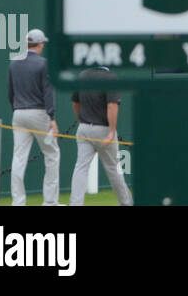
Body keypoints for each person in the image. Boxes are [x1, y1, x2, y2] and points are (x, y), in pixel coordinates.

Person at [8, 28, 59, 206]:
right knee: (52, 155)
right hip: (39, 113)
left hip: (18, 112)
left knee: (19, 158)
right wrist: (52, 118)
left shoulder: (14, 63)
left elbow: (10, 93)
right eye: (43, 43)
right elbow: (48, 93)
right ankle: (50, 202)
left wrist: (17, 109)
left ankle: (18, 202)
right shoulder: (44, 64)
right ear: (40, 44)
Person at [70, 66, 133, 206]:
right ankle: (126, 203)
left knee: (80, 168)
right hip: (103, 130)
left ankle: (75, 204)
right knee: (113, 169)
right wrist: (112, 131)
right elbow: (112, 106)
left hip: (84, 128)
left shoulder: (82, 75)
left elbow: (75, 103)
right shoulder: (110, 77)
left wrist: (82, 121)